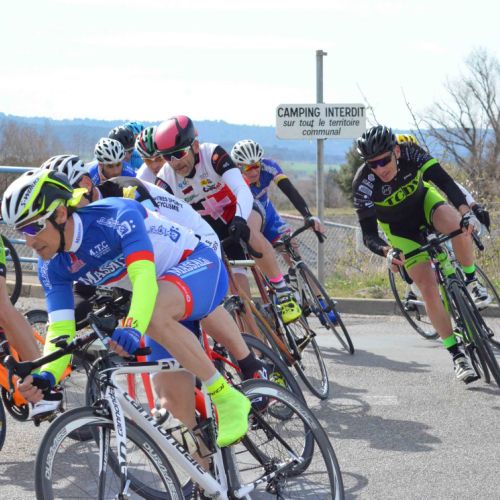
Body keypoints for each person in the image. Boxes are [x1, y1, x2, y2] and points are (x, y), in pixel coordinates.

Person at [1, 169, 251, 447]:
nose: (29, 241)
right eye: (21, 231)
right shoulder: (51, 266)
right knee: (175, 406)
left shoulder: (115, 216)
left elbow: (144, 280)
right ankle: (208, 473)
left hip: (198, 265)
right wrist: (47, 375)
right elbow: (60, 328)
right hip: (160, 298)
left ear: (60, 214)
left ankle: (226, 396)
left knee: (152, 315)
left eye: (34, 228)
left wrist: (132, 327)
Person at [40, 155, 268, 389]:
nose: (63, 211)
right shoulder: (78, 226)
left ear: (86, 185)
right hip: (156, 266)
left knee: (189, 308)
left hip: (195, 242)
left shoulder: (123, 191)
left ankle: (249, 363)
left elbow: (150, 242)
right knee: (168, 372)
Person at [353, 125, 491, 383]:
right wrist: (387, 251)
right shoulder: (363, 184)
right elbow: (369, 235)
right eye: (373, 164)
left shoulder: (411, 153)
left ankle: (472, 280)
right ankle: (456, 354)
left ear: (396, 151)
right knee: (427, 287)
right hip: (400, 231)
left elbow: (445, 182)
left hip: (425, 204)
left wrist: (466, 212)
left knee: (458, 226)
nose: (380, 168)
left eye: (384, 161)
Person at [154, 115, 302, 325]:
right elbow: (164, 219)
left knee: (249, 230)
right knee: (239, 295)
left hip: (240, 208)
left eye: (179, 153)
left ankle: (282, 291)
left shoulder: (212, 154)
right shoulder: (165, 180)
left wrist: (239, 218)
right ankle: (254, 339)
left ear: (194, 146)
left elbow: (242, 189)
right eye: (167, 157)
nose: (175, 162)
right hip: (212, 229)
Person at [230, 139, 335, 323]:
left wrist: (307, 215)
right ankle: (275, 289)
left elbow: (289, 190)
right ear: (239, 168)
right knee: (259, 253)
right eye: (247, 168)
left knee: (293, 250)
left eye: (256, 166)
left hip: (269, 215)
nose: (253, 172)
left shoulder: (269, 167)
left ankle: (319, 301)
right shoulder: (233, 180)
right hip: (250, 220)